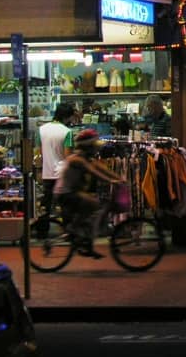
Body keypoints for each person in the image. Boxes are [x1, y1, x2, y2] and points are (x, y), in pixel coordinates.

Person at [57, 128, 126, 258]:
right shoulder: (77, 159)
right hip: (66, 193)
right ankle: (74, 230)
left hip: (74, 191)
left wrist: (119, 178)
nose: (96, 149)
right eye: (94, 146)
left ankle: (84, 236)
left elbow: (101, 168)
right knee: (94, 204)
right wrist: (111, 181)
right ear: (88, 147)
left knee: (93, 205)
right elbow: (94, 172)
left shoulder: (87, 158)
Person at [34, 103, 75, 236]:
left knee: (46, 203)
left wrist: (40, 170)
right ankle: (68, 231)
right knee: (65, 204)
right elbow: (67, 155)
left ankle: (42, 231)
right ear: (67, 117)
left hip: (47, 173)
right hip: (62, 173)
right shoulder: (67, 132)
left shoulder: (41, 130)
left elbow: (39, 153)